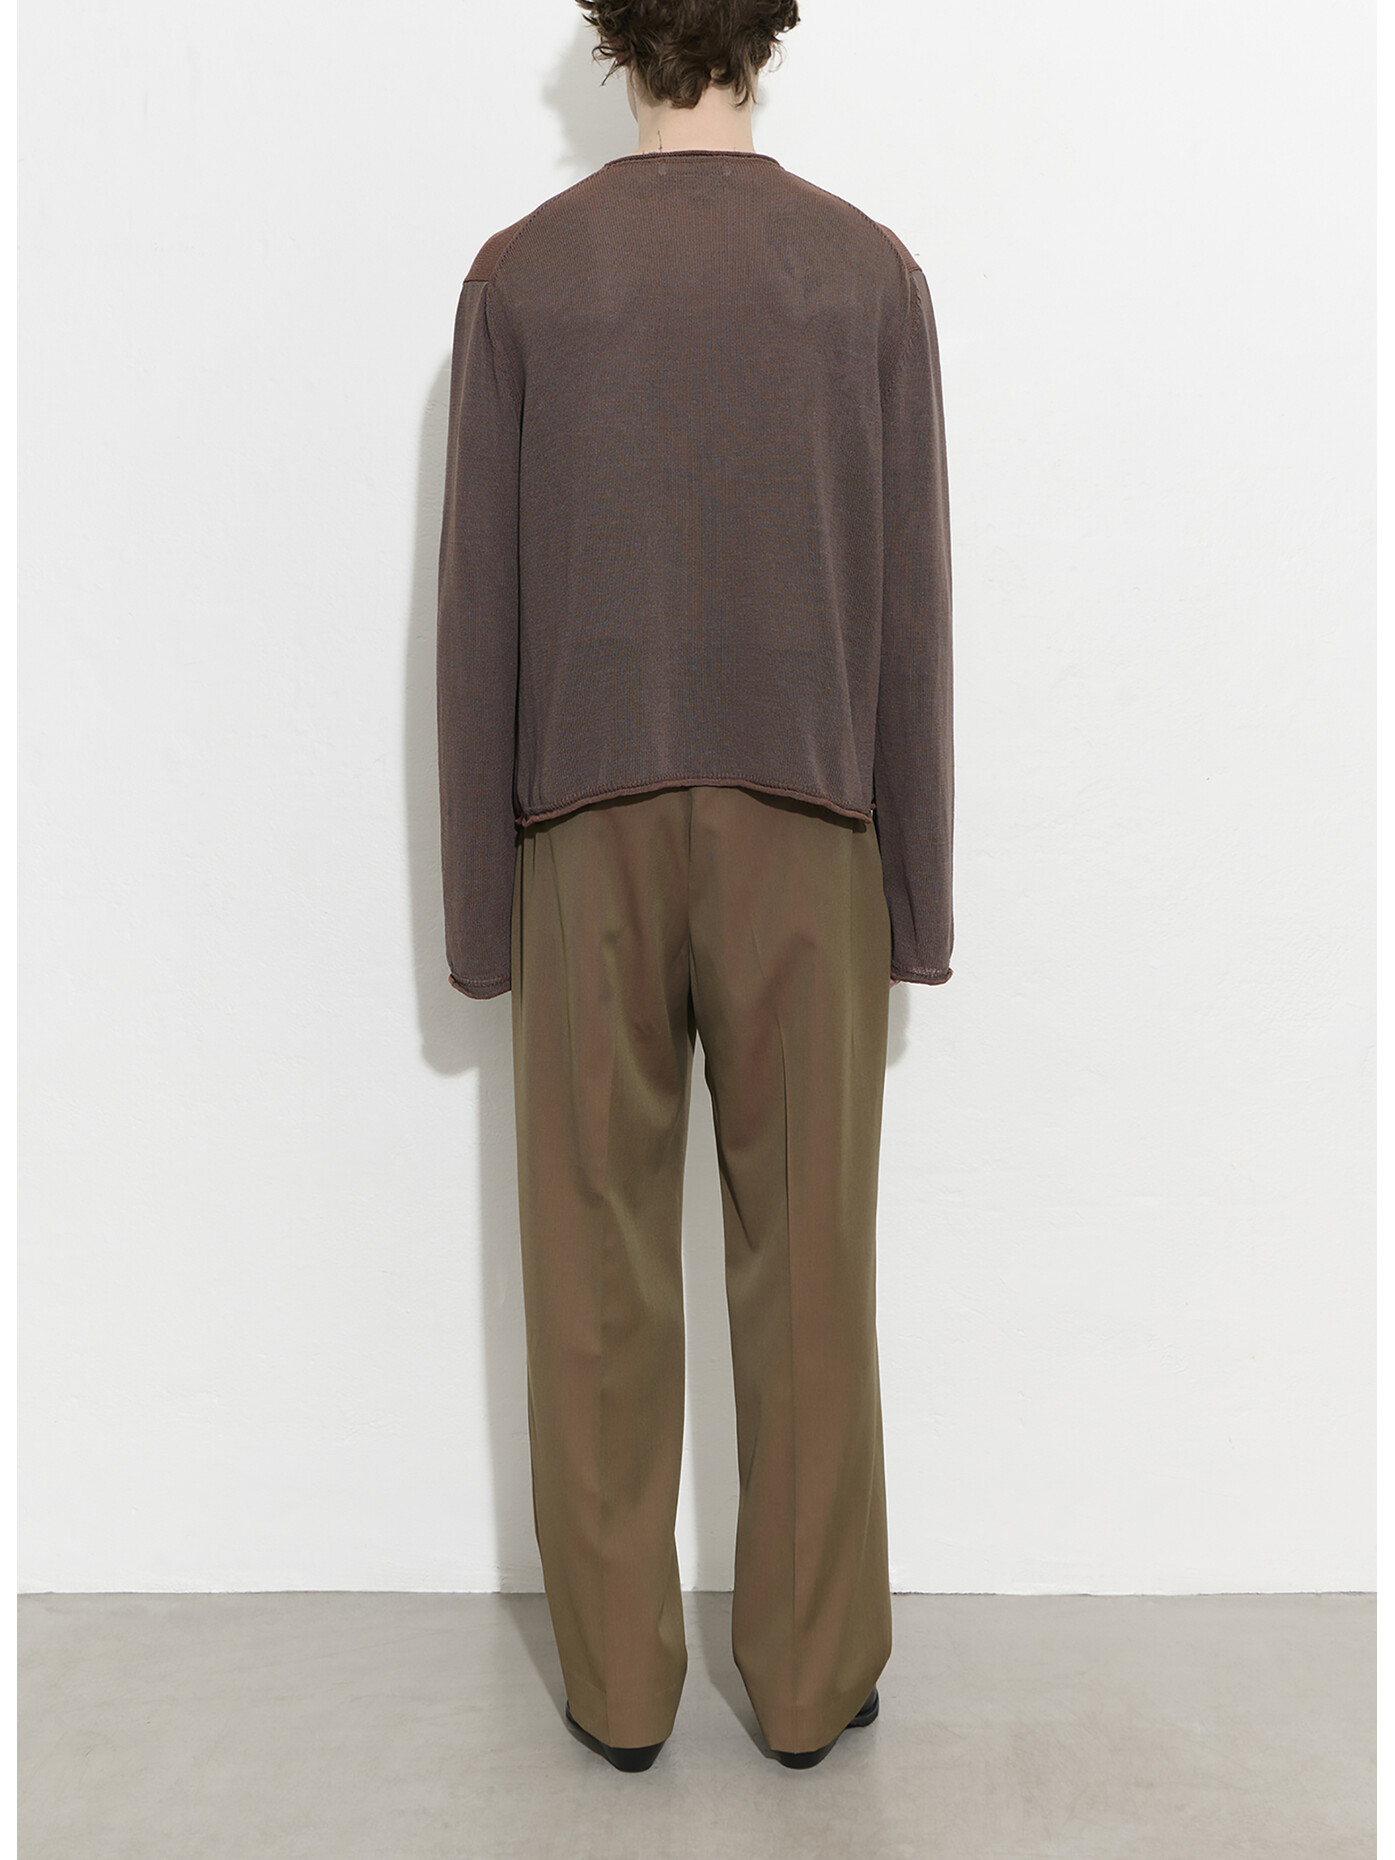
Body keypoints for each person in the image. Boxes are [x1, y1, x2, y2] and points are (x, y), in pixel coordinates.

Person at [435, 0, 953, 1773]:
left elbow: (480, 619)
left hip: (583, 826)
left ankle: (619, 1689)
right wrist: (918, 891)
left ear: (614, 37)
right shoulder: (866, 277)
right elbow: (911, 611)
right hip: (810, 828)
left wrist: (481, 914)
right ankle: (809, 1682)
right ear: (770, 33)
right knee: (808, 1262)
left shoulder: (524, 278)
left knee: (594, 1268)